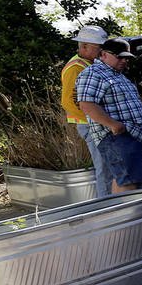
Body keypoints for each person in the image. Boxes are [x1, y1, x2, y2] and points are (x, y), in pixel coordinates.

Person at [76, 38, 142, 193]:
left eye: (127, 57)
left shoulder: (116, 74)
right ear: (103, 54)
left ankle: (123, 215)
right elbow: (86, 104)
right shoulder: (93, 73)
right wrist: (114, 125)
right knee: (129, 181)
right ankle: (128, 216)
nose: (124, 60)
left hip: (128, 135)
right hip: (116, 136)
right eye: (119, 56)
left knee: (125, 179)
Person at [61, 25, 111, 197]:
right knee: (104, 168)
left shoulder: (89, 63)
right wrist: (97, 118)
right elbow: (68, 101)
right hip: (91, 125)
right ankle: (107, 207)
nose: (102, 51)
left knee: (108, 166)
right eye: (98, 47)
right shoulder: (75, 67)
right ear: (84, 46)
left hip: (96, 123)